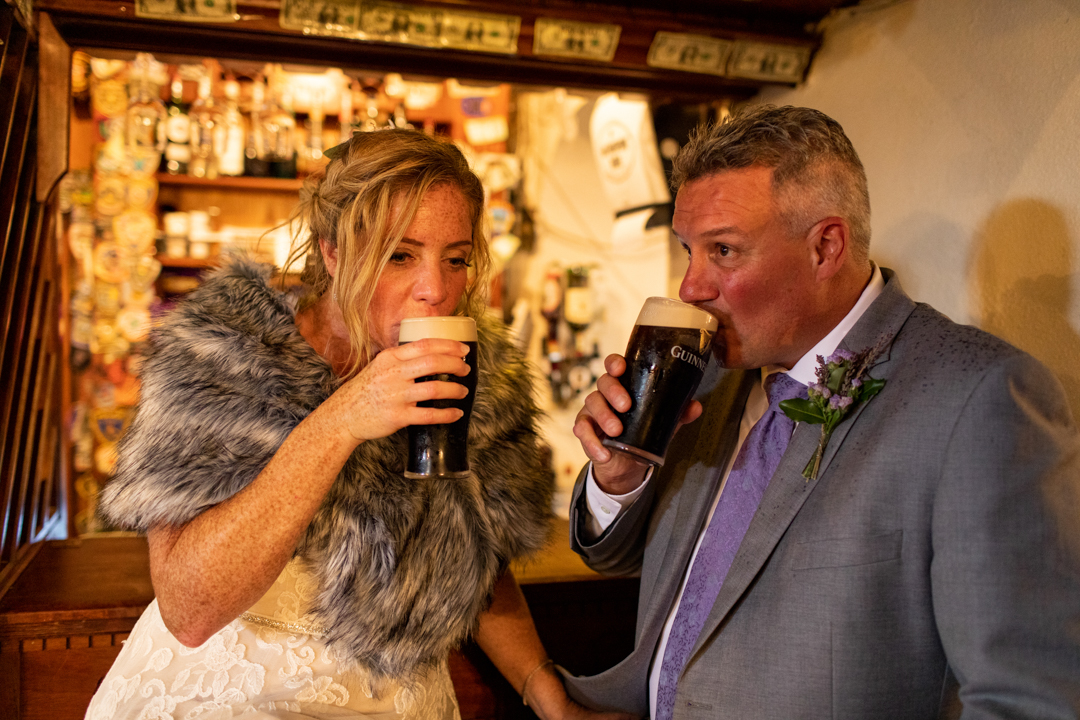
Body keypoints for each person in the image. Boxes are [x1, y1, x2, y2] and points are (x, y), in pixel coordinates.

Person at [87, 129, 625, 720]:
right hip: (229, 697)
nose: (436, 290)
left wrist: (547, 692)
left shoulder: (480, 378)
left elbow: (473, 559)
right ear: (333, 251)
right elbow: (189, 610)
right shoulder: (222, 356)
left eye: (456, 259)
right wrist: (342, 418)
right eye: (400, 255)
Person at [566, 105, 1080, 719]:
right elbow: (614, 558)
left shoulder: (978, 398)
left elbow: (1027, 698)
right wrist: (618, 481)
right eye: (688, 250)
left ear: (825, 247)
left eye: (723, 250)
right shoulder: (704, 374)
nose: (690, 288)